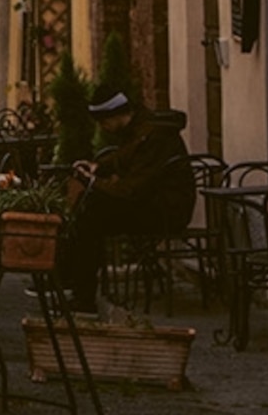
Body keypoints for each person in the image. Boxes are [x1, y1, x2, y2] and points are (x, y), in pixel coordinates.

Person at [61, 90, 197, 310]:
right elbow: (124, 156)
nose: (102, 127)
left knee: (91, 215)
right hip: (153, 204)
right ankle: (73, 281)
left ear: (115, 115)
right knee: (90, 211)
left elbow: (131, 189)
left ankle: (80, 293)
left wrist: (93, 182)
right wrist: (99, 167)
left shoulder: (152, 136)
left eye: (103, 121)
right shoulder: (141, 129)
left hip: (165, 211)